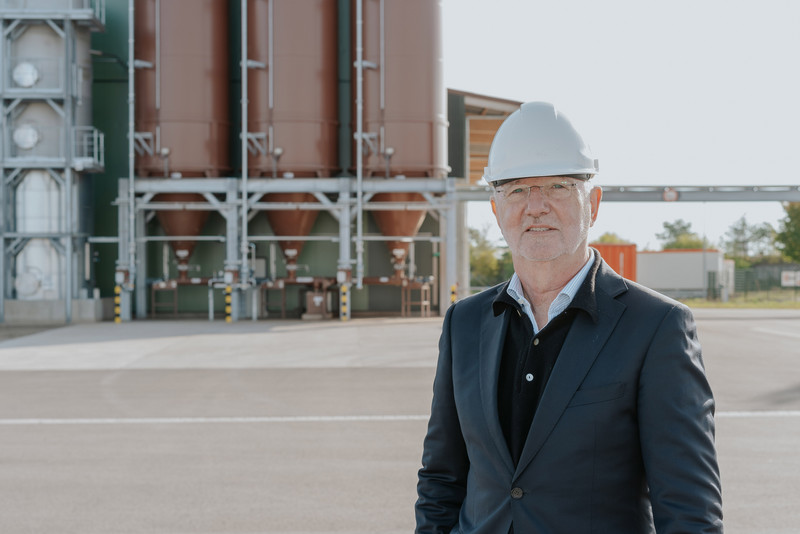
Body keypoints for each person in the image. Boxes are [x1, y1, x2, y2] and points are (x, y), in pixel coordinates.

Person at [415, 101, 723, 533]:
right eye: (517, 189)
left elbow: (689, 510)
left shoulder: (655, 327)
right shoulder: (464, 323)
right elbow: (441, 481)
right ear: (495, 210)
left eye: (558, 187)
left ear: (593, 204)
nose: (536, 206)